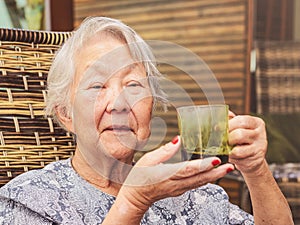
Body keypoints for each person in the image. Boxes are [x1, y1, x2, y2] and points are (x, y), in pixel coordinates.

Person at [0, 16, 293, 225]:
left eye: (134, 85)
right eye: (96, 85)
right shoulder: (30, 200)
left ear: (151, 109)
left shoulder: (189, 192)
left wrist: (256, 171)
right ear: (66, 114)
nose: (120, 104)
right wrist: (133, 202)